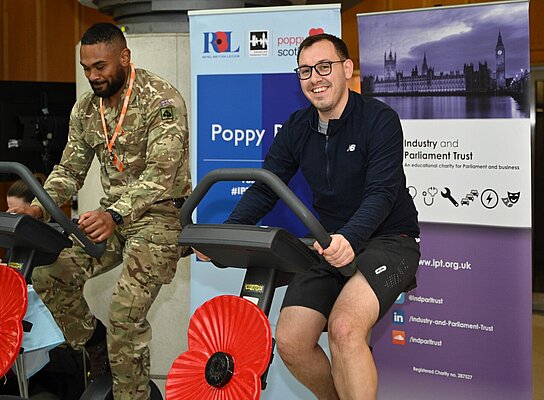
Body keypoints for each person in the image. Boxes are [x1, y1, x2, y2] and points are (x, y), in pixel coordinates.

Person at [197, 33, 420, 400]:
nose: (315, 78)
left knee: (345, 329)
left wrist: (351, 237)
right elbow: (266, 187)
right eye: (305, 71)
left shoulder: (379, 120)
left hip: (388, 240)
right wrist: (225, 236)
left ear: (346, 69)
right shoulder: (298, 126)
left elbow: (382, 192)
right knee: (291, 340)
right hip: (330, 241)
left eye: (324, 67)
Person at [7, 22, 191, 399]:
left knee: (126, 314)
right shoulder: (87, 110)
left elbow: (161, 174)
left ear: (124, 58)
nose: (93, 76)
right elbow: (69, 170)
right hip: (112, 219)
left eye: (101, 67)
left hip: (159, 219)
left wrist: (116, 215)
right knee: (48, 275)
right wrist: (39, 209)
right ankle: (94, 344)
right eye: (86, 68)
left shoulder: (161, 100)